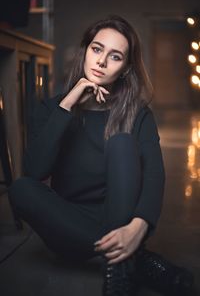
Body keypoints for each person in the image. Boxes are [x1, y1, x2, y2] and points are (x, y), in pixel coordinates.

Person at [8, 15, 194, 295]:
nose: (101, 62)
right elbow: (34, 172)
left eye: (115, 56)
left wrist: (138, 226)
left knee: (121, 142)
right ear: (85, 50)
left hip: (119, 218)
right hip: (68, 227)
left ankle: (118, 270)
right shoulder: (51, 109)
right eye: (97, 49)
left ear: (126, 68)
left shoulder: (138, 114)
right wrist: (68, 103)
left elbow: (155, 175)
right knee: (21, 188)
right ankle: (130, 260)